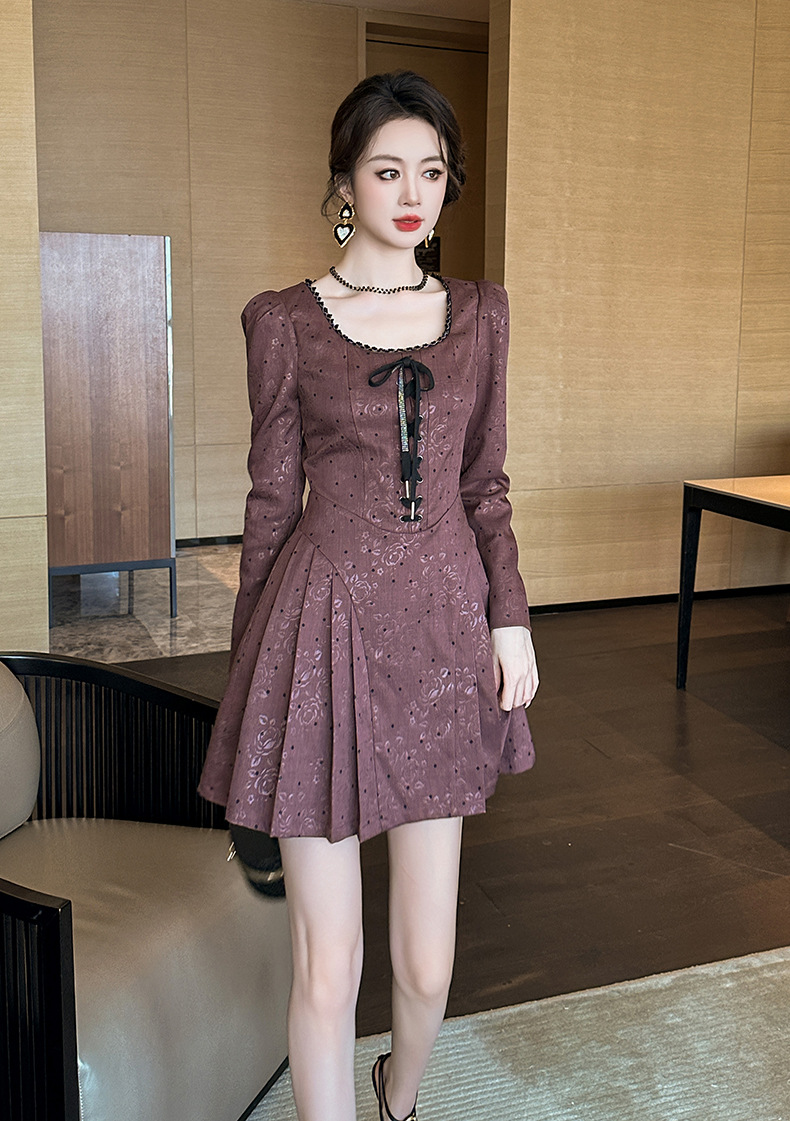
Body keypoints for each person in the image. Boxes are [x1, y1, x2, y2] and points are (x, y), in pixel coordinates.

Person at [199, 70, 539, 1121]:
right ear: (344, 182)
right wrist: (249, 677)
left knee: (428, 966)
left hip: (443, 635)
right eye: (387, 170)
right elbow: (269, 505)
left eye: (430, 171)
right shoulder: (284, 321)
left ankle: (398, 1094)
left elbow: (484, 486)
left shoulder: (480, 315)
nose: (412, 193)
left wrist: (511, 614)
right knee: (327, 961)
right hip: (320, 633)